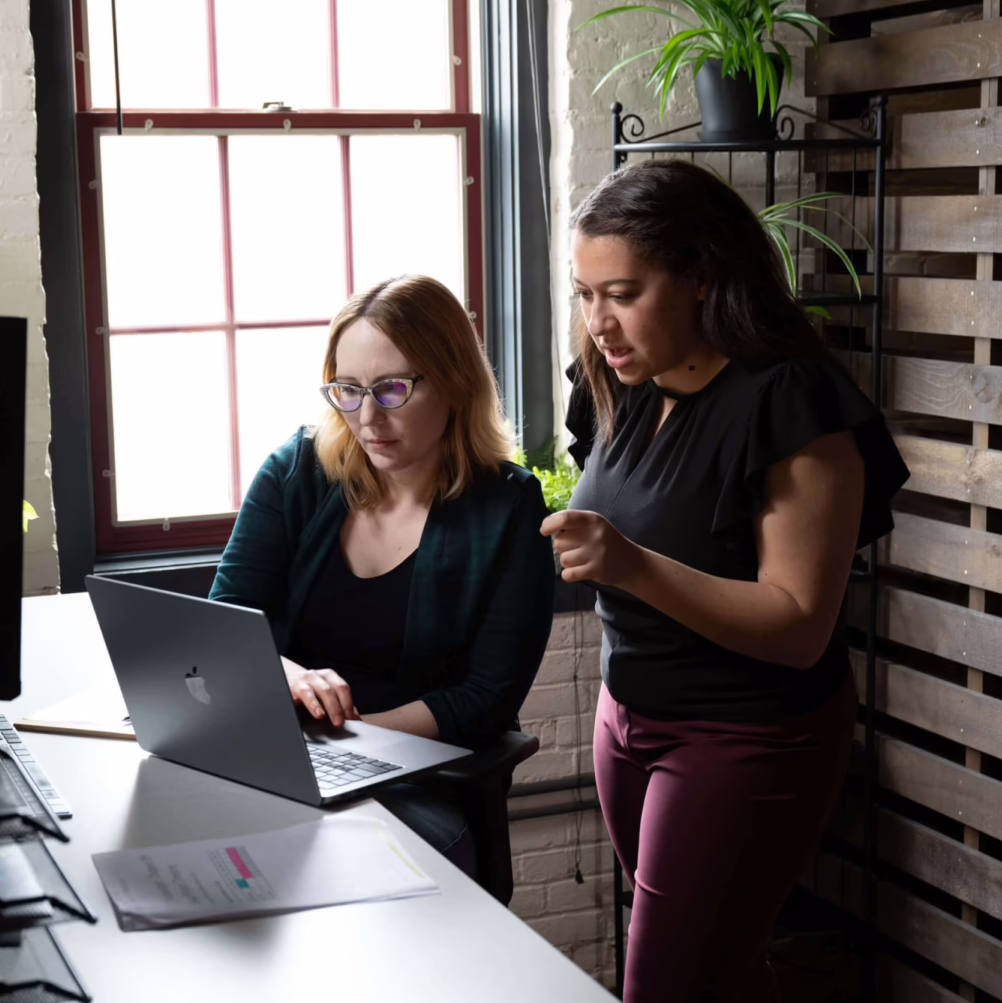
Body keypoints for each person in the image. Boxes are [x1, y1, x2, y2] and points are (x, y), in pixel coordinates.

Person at [542, 159, 909, 1003]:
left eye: (623, 294)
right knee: (721, 970)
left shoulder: (791, 402)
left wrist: (631, 563)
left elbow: (798, 623)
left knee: (666, 986)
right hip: (626, 716)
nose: (599, 322)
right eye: (584, 293)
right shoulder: (616, 382)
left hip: (747, 735)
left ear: (702, 278)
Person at [210, 274, 555, 874]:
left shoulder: (508, 506)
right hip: (283, 758)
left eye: (392, 388)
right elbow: (225, 626)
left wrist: (349, 741)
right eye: (347, 389)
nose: (367, 416)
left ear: (454, 383)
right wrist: (289, 677)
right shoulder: (297, 473)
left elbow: (485, 698)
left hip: (417, 775)